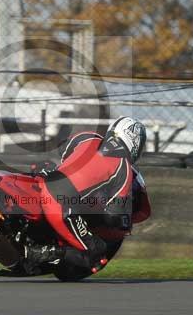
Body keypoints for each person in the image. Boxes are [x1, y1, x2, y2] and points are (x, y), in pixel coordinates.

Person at [22, 116, 151, 274]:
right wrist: (124, 220)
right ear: (135, 141)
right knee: (96, 252)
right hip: (62, 205)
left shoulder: (88, 137)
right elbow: (113, 213)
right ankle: (39, 253)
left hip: (45, 182)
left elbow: (61, 151)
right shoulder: (124, 169)